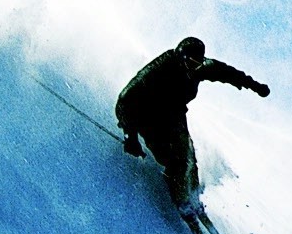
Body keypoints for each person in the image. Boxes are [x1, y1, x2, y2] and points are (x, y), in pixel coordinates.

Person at [115, 37, 269, 217]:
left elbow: (227, 73)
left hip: (174, 116)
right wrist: (130, 136)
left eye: (198, 63)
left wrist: (255, 86)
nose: (193, 67)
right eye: (190, 62)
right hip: (149, 115)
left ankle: (192, 196)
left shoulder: (200, 68)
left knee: (189, 158)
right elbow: (125, 100)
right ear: (181, 56)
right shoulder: (161, 68)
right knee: (177, 161)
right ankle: (181, 198)